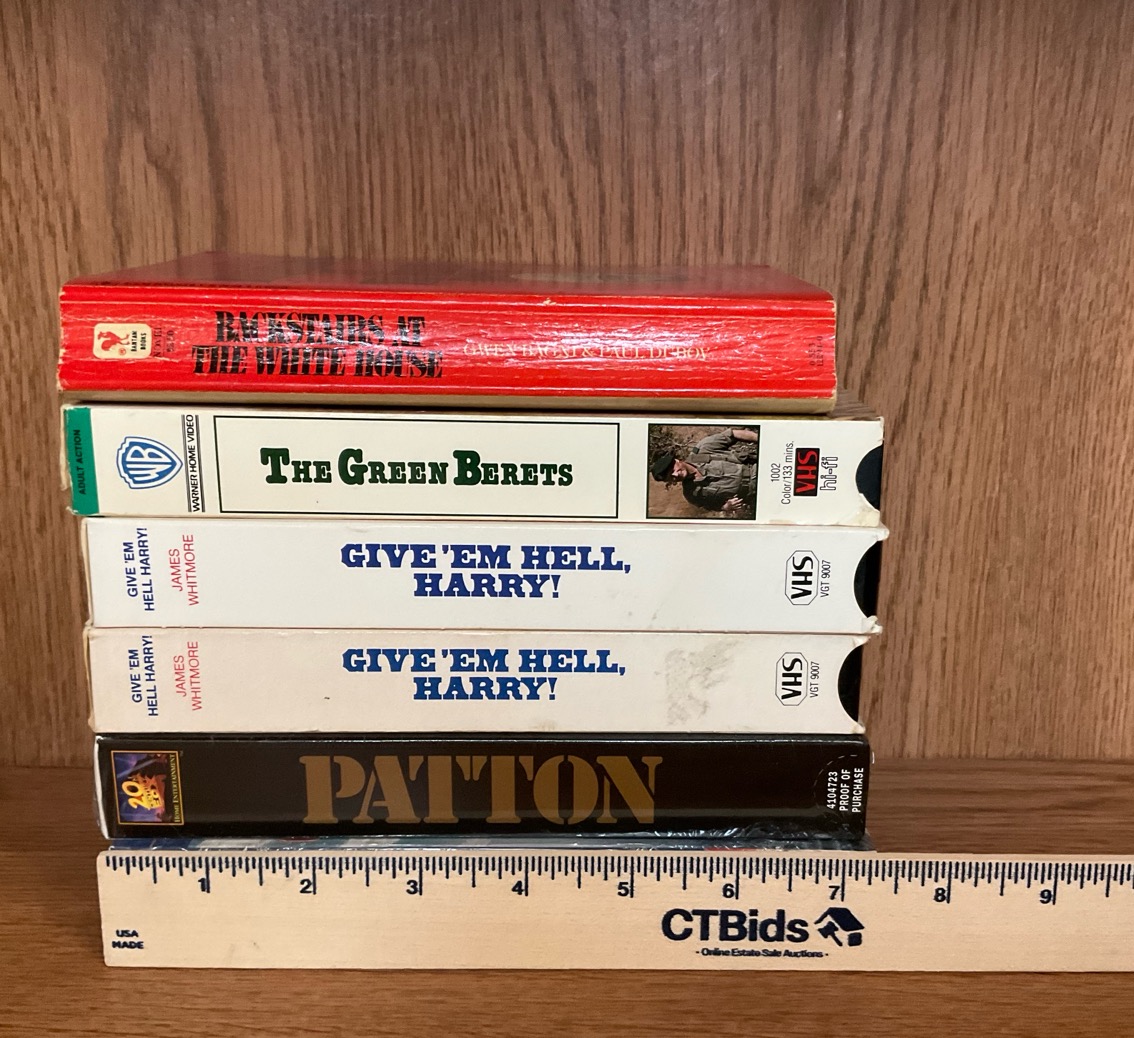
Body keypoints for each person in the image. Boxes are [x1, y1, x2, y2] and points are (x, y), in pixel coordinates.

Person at [649, 428, 759, 516]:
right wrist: (726, 507)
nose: (676, 475)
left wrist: (762, 439)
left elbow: (733, 434)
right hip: (755, 496)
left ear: (677, 461)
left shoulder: (704, 448)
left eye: (673, 470)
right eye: (671, 477)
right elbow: (713, 506)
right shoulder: (692, 494)